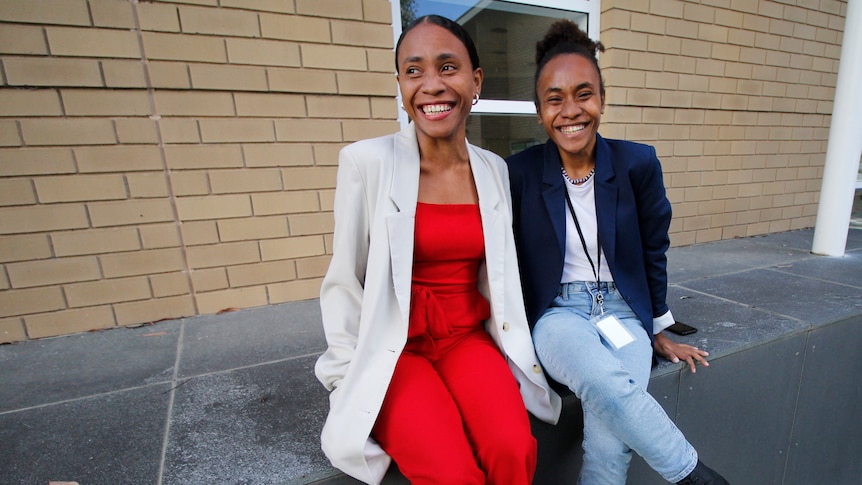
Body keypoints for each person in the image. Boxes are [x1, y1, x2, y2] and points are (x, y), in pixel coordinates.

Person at [314, 15, 561, 485]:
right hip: (394, 349)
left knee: (513, 449)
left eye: (448, 67)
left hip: (466, 339)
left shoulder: (493, 170)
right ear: (401, 84)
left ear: (475, 81)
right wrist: (347, 379)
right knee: (452, 473)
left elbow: (502, 275)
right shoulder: (366, 163)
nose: (431, 85)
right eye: (414, 71)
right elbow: (345, 280)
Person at [506, 19, 730, 485]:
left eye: (584, 94)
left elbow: (654, 248)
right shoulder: (520, 173)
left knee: (611, 440)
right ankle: (694, 474)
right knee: (607, 384)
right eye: (555, 99)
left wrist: (658, 327)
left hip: (624, 313)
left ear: (602, 100)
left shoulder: (637, 163)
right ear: (539, 110)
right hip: (557, 314)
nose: (571, 110)